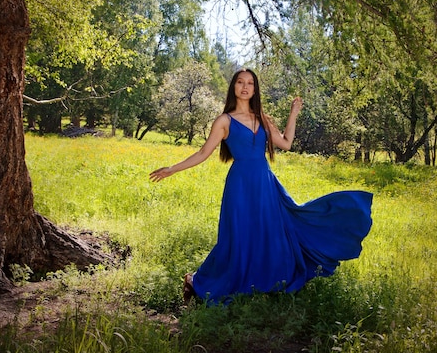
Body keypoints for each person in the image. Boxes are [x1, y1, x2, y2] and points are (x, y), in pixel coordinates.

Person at [150, 68, 372, 304]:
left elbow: (286, 144)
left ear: (255, 89)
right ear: (233, 87)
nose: (245, 87)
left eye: (250, 84)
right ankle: (197, 281)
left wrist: (293, 113)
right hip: (240, 186)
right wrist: (172, 168)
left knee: (270, 233)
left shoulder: (262, 119)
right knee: (236, 239)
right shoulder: (224, 121)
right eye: (240, 82)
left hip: (265, 185)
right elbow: (204, 152)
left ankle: (261, 279)